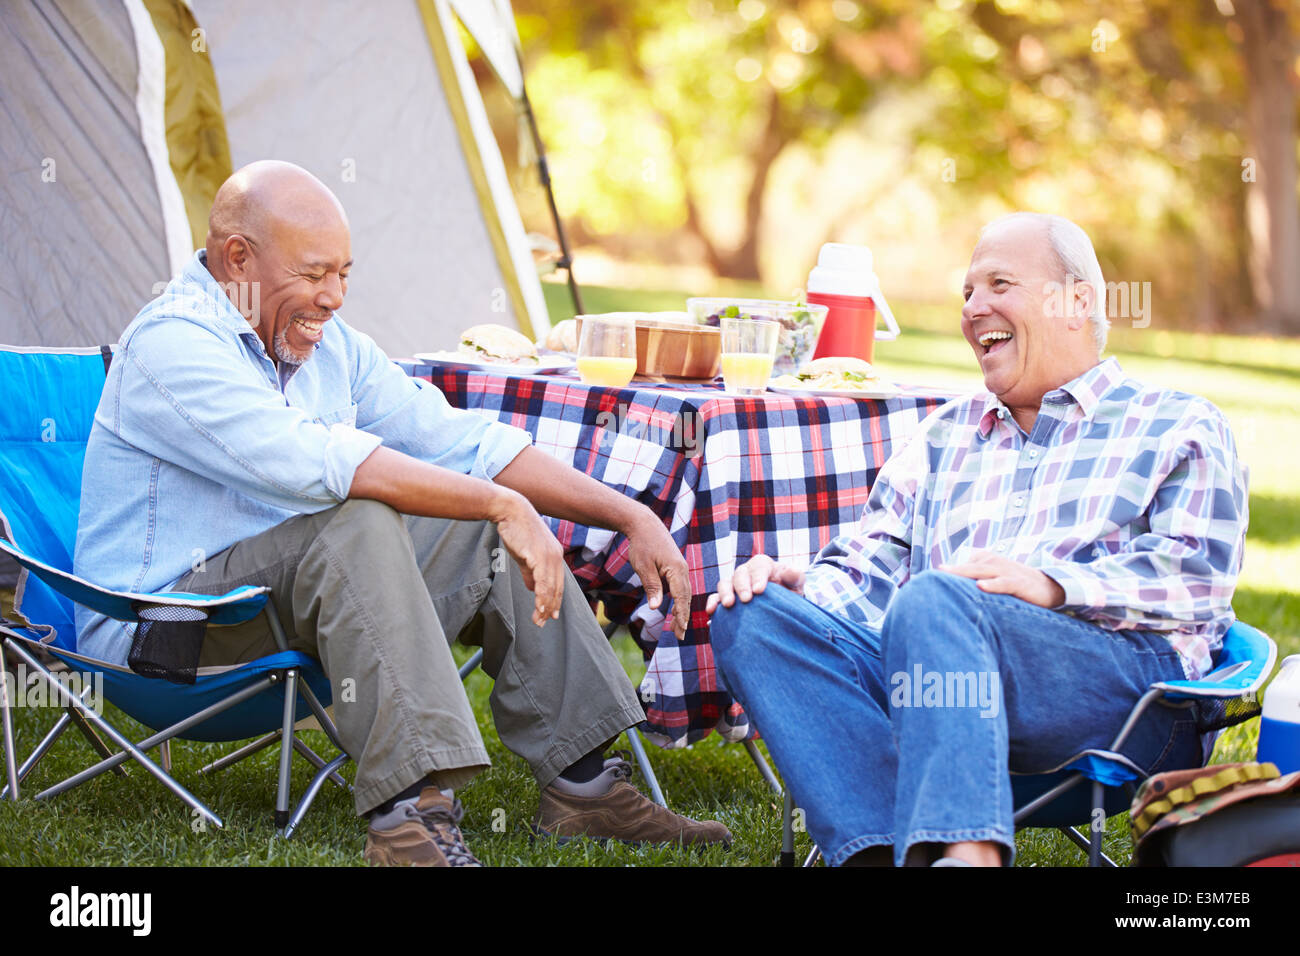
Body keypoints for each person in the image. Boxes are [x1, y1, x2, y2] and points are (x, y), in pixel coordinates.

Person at [74, 160, 731, 866]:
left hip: (286, 601)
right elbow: (320, 464)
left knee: (479, 532)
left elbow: (465, 442)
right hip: (167, 631)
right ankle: (410, 821)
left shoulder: (328, 345)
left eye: (344, 274)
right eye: (314, 274)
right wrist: (501, 502)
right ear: (238, 258)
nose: (334, 297)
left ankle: (585, 788)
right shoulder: (173, 343)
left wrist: (629, 516)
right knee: (360, 517)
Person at [707, 212, 1248, 867]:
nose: (973, 308)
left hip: (1124, 699)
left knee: (938, 598)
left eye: (999, 284)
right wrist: (803, 589)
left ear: (1076, 301)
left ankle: (970, 856)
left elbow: (1198, 577)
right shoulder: (941, 434)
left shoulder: (1178, 424)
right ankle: (881, 854)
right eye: (967, 292)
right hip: (934, 685)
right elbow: (868, 567)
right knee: (751, 615)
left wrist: (1051, 587)